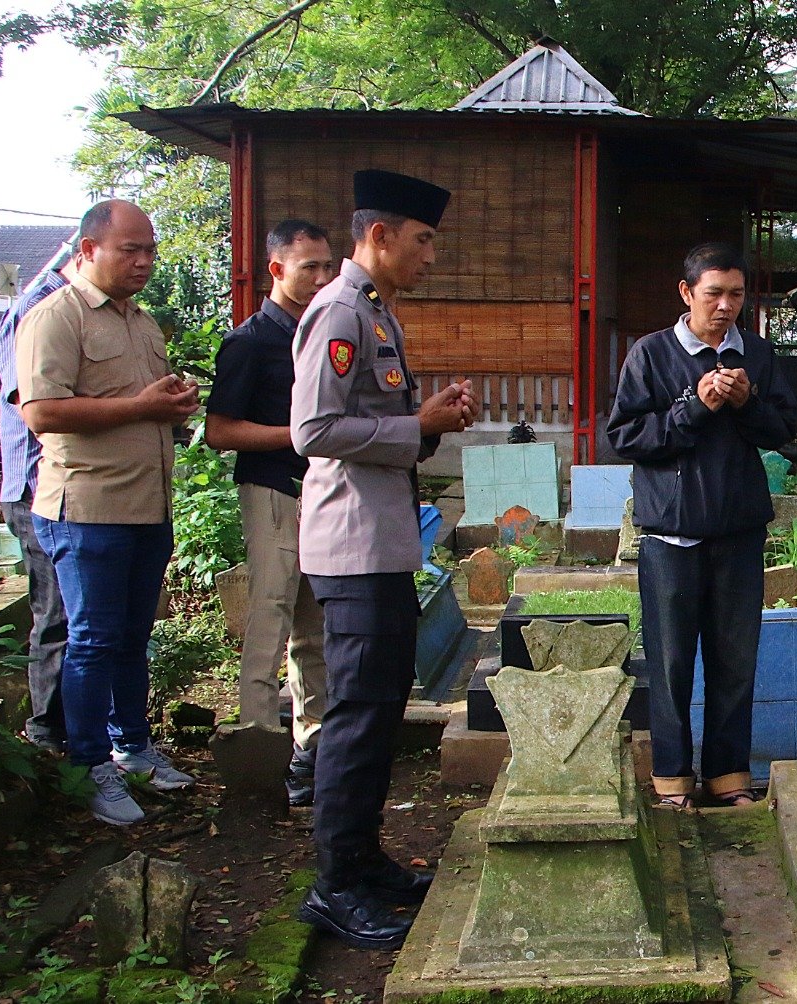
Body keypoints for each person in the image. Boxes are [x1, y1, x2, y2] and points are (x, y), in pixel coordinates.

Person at [290, 169, 477, 950]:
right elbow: (314, 431)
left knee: (376, 709)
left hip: (383, 541)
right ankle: (335, 885)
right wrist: (415, 428)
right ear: (381, 235)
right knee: (357, 717)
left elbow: (380, 425)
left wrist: (428, 423)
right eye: (424, 238)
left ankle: (364, 864)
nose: (431, 254)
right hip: (352, 545)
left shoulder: (376, 314)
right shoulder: (339, 312)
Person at [16, 200, 201, 825]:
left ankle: (133, 748)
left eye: (149, 249)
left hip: (146, 504)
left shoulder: (142, 322)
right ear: (89, 249)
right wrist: (141, 408)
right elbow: (41, 411)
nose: (145, 262)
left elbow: (144, 401)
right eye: (131, 250)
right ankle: (88, 763)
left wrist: (173, 404)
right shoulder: (55, 318)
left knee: (131, 639)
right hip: (87, 508)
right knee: (92, 640)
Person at [607, 242, 797, 809]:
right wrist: (693, 406)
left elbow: (783, 430)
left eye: (736, 295)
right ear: (687, 293)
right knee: (669, 664)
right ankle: (672, 779)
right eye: (713, 293)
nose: (725, 306)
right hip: (671, 533)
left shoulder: (758, 356)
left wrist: (745, 402)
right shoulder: (652, 355)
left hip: (738, 531)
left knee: (735, 659)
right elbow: (626, 437)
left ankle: (728, 777)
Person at [206, 219, 335, 807]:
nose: (321, 277)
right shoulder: (249, 341)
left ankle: (314, 747)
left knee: (316, 623)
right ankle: (259, 736)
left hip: (325, 493)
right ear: (275, 269)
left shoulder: (326, 328)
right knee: (272, 611)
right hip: (273, 490)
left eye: (327, 266)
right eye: (308, 266)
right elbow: (219, 430)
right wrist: (299, 435)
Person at [0, 241, 77, 755]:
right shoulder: (40, 308)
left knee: (76, 613)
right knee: (56, 613)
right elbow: (32, 402)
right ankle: (47, 733)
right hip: (34, 487)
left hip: (64, 487)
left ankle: (75, 732)